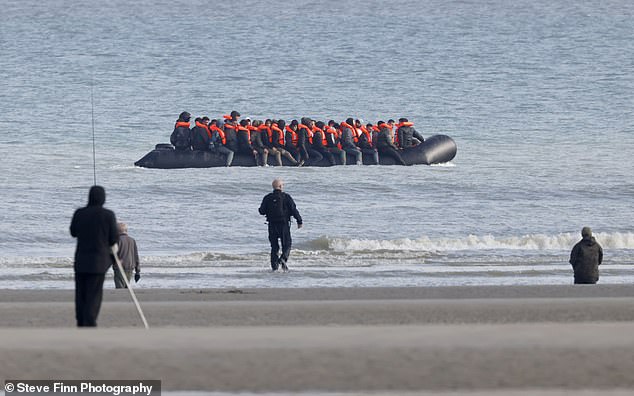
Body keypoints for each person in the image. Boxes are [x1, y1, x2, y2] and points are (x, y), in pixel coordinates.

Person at [70, 185, 118, 327]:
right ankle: (90, 320)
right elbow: (113, 238)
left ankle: (81, 319)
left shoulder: (80, 213)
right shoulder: (108, 215)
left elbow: (73, 232)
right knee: (94, 293)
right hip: (99, 261)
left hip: (81, 260)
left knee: (81, 292)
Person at [258, 178, 303, 271]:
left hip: (272, 225)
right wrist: (299, 221)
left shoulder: (267, 197)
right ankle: (283, 259)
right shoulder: (286, 197)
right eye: (283, 185)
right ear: (280, 187)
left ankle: (274, 267)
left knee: (274, 246)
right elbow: (294, 210)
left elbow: (261, 211)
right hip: (284, 224)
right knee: (287, 244)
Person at [113, 222, 140, 289]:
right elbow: (136, 256)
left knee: (120, 287)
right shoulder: (132, 240)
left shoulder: (117, 240)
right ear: (126, 231)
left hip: (119, 267)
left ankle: (121, 298)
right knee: (126, 286)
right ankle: (126, 298)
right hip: (130, 267)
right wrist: (137, 271)